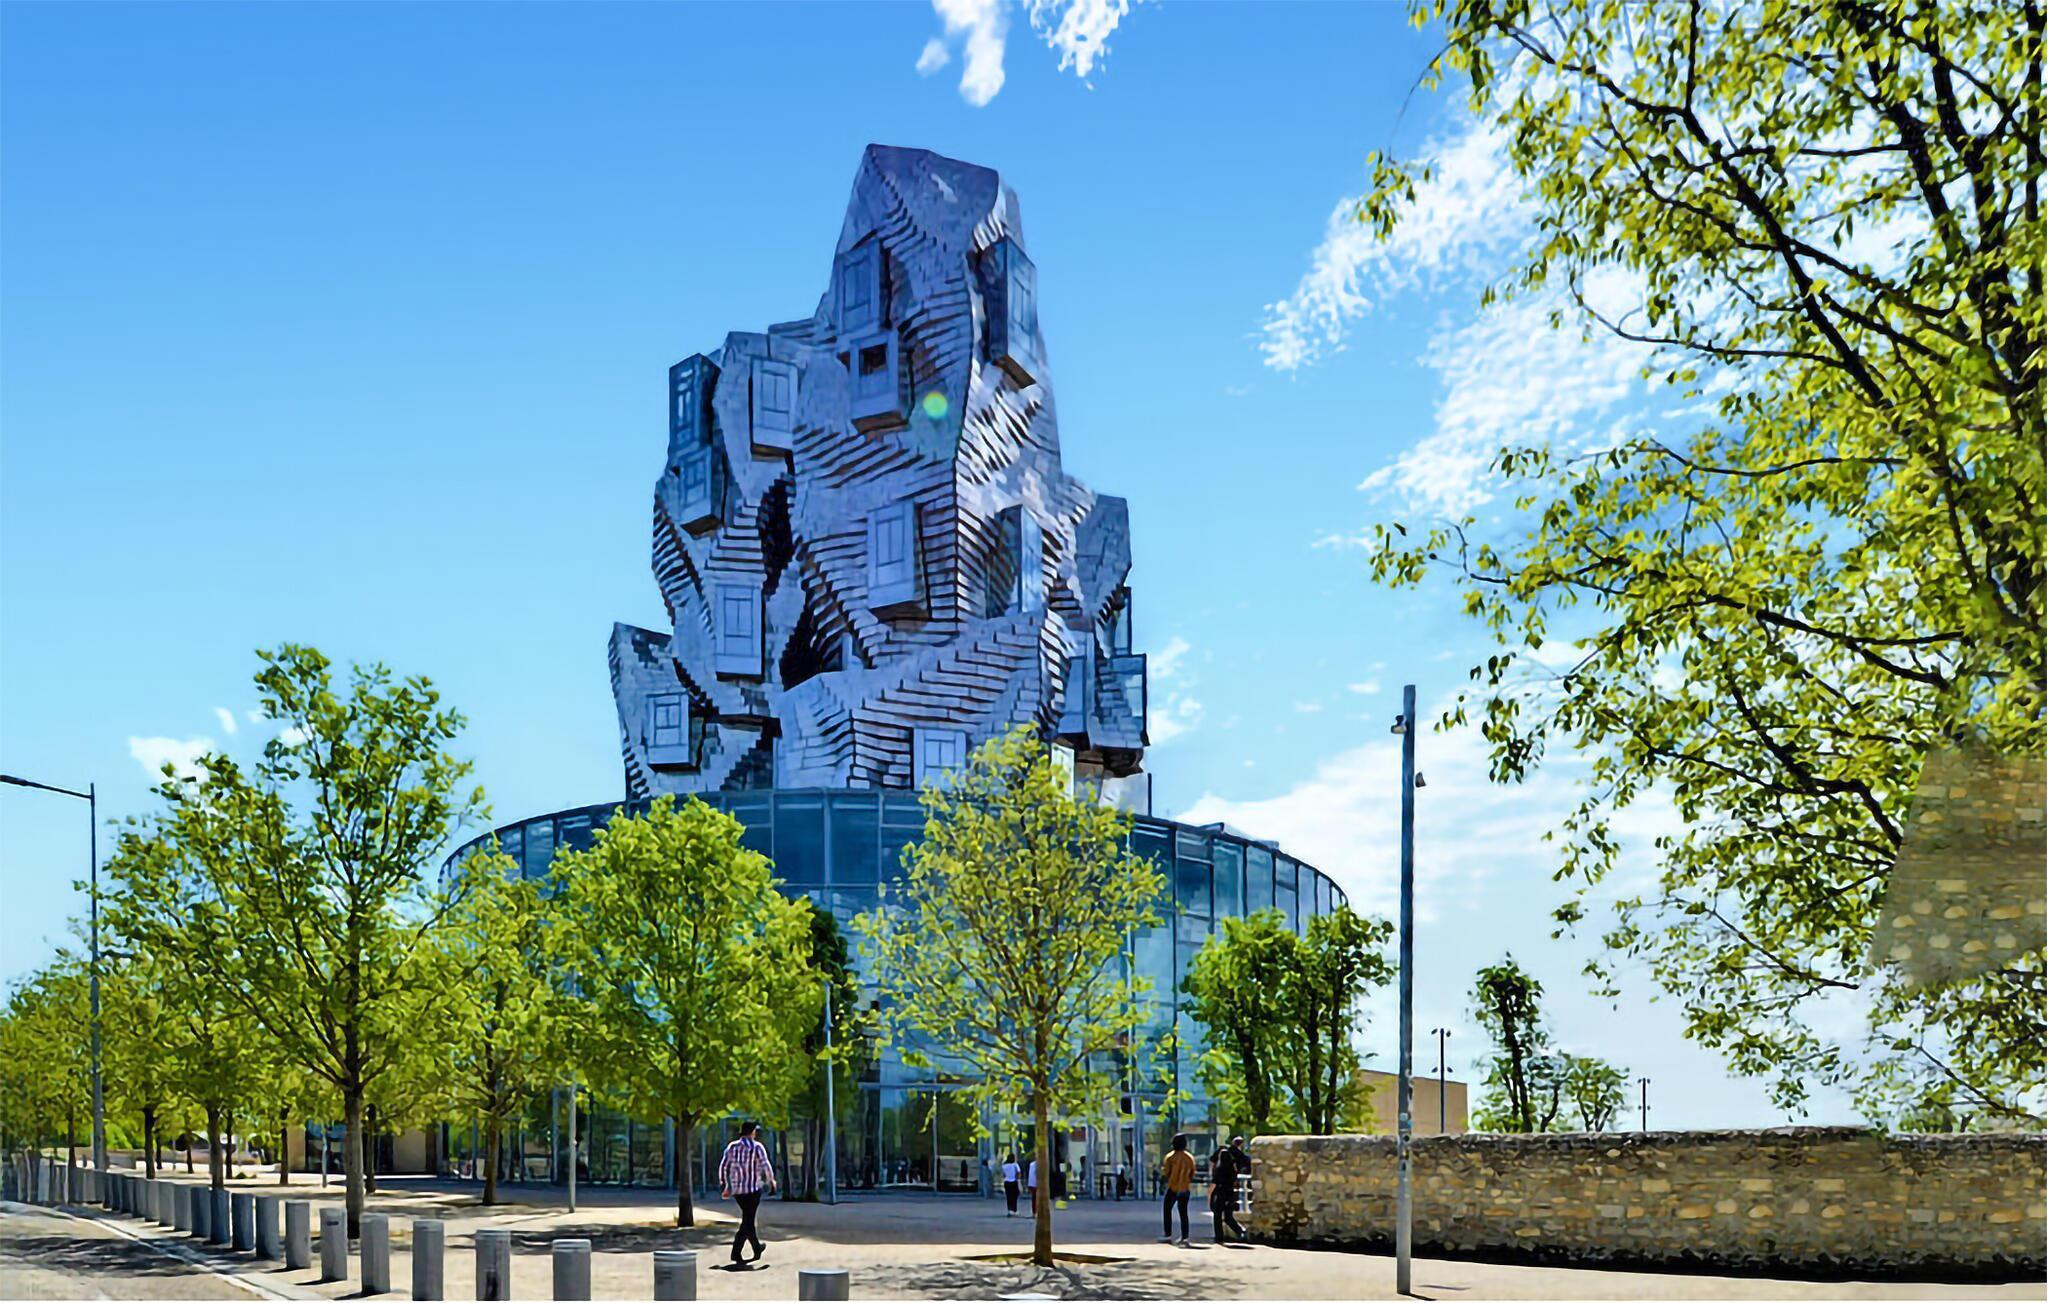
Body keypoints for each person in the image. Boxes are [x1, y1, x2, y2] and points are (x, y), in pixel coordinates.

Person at [717, 1122, 777, 1265]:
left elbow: (723, 1166)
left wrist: (724, 1183)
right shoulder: (757, 1147)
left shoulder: (732, 1147)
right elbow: (765, 1165)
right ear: (752, 1132)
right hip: (753, 1189)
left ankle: (757, 1247)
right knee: (748, 1220)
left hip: (738, 1190)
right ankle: (736, 1252)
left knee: (748, 1219)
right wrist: (771, 1181)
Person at [1210, 1136, 1248, 1243]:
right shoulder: (1232, 1170)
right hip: (1230, 1194)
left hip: (1220, 1193)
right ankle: (1240, 1231)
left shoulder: (1219, 1170)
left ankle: (1219, 1236)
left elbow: (1214, 1183)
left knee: (1217, 1215)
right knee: (1228, 1216)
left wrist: (1210, 1196)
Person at [1159, 1133, 1195, 1246]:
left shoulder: (1170, 1157)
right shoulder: (1189, 1157)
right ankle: (1185, 1237)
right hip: (1185, 1187)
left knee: (1167, 1210)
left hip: (1173, 1187)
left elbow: (1166, 1172)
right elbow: (1192, 1172)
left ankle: (1168, 1234)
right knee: (1183, 1213)